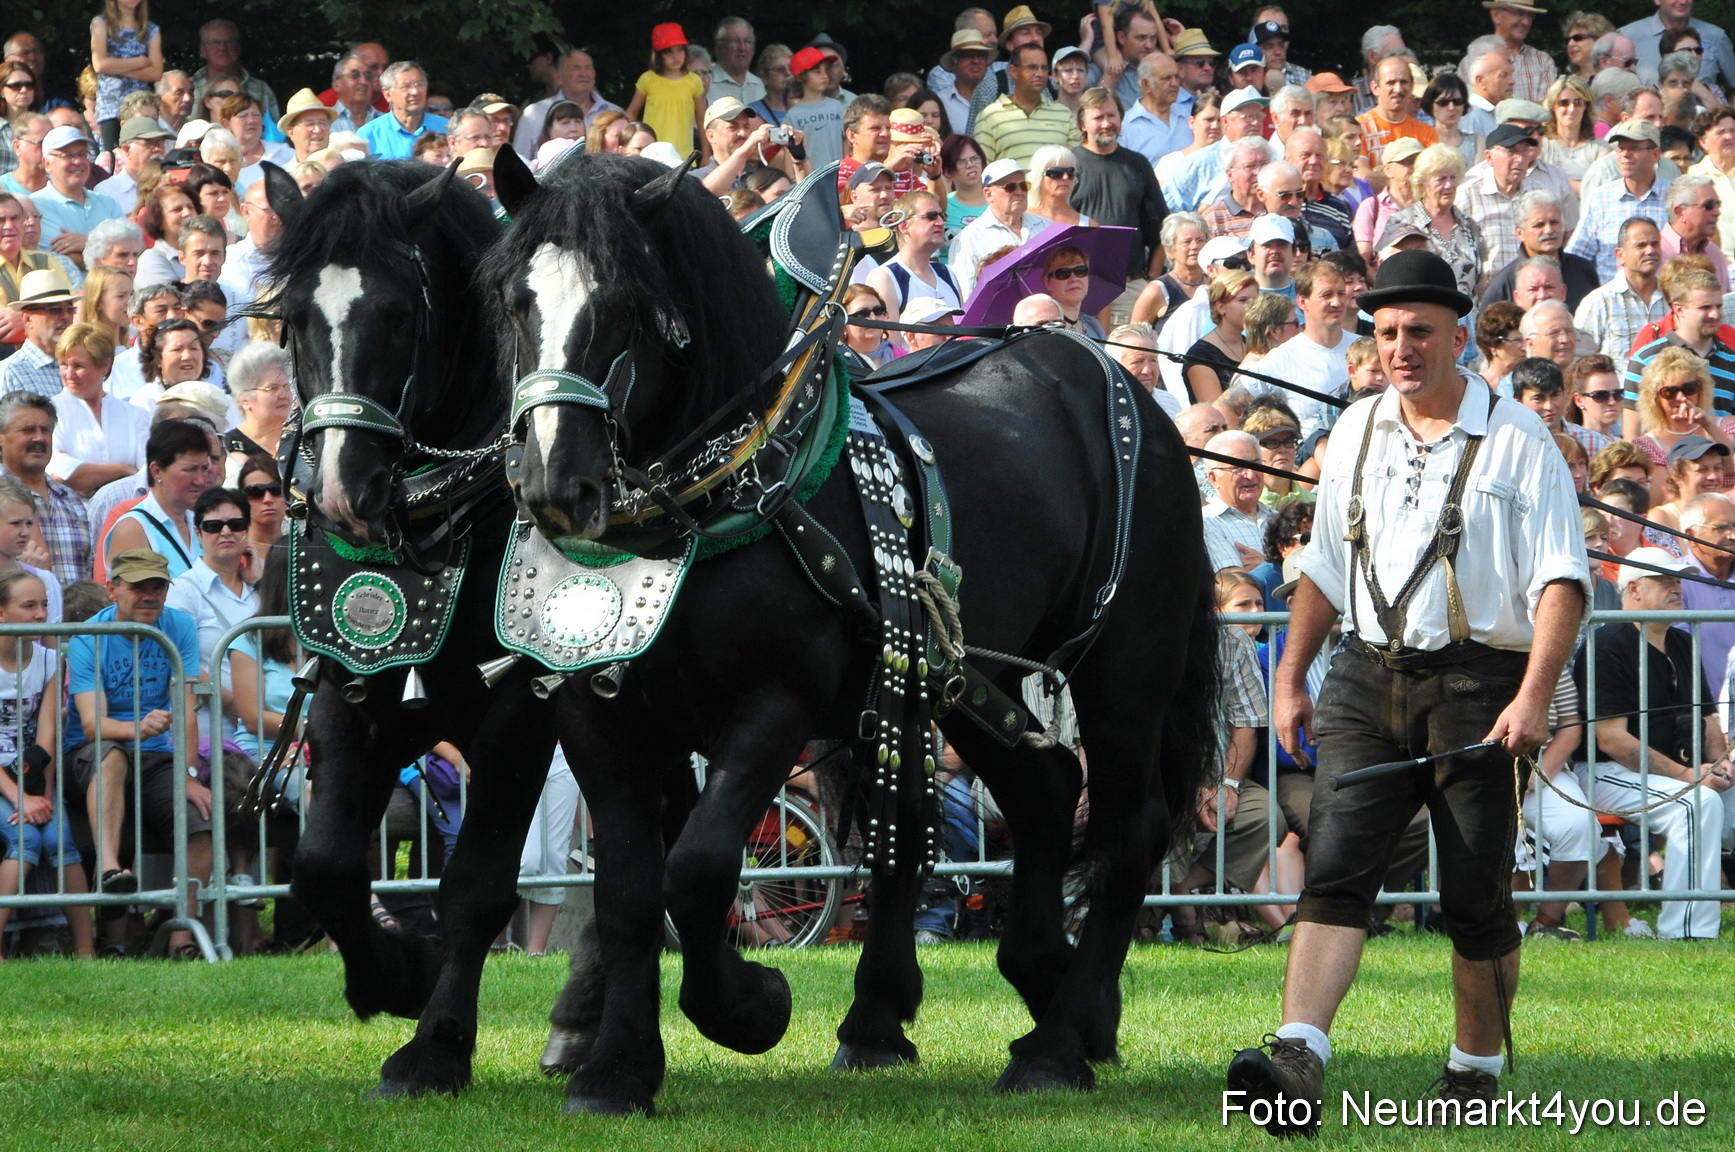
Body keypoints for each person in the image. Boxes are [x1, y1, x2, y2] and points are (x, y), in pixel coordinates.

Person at [1226, 249, 1588, 1135]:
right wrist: (1288, 676)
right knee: (1338, 867)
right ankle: (1297, 1055)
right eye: (1385, 332)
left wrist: (1535, 695)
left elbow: (1561, 583)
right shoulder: (1351, 428)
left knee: (1472, 895)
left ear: (1458, 337)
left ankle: (1473, 1067)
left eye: (1418, 332)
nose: (1399, 348)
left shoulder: (1517, 436)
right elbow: (1322, 565)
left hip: (1479, 685)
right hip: (1364, 674)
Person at [1584, 545, 1734, 940]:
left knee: (1708, 797)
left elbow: (1708, 718)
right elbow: (1612, 740)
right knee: (1694, 803)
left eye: (1677, 580)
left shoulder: (1684, 642)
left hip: (1673, 772)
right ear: (1633, 589)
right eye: (1663, 581)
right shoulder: (1608, 644)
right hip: (1604, 773)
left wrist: (1719, 763)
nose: (1676, 587)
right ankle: (1686, 932)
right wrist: (1689, 775)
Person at [0, 567, 93, 958]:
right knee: (25, 838)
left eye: (43, 605)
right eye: (28, 606)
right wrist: (18, 798)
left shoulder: (51, 660)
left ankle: (87, 952)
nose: (40, 615)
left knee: (59, 837)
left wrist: (44, 795)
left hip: (29, 774)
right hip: (3, 780)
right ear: (2, 613)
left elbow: (47, 737)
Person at [164, 486, 257, 744]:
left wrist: (260, 581)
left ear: (246, 530)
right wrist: (226, 699)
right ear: (198, 533)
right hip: (210, 737)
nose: (226, 532)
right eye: (214, 526)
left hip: (266, 736)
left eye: (236, 524)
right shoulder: (182, 590)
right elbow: (177, 656)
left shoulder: (259, 590)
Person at [1070, 88, 1167, 290]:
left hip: (1129, 284)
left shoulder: (1138, 164)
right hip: (1078, 283)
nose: (1106, 124)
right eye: (1098, 117)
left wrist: (1152, 277)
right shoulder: (1067, 166)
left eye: (1111, 115)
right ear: (1082, 124)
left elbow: (1164, 227)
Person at [1252, 261, 1355, 437]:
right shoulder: (1281, 358)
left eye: (1341, 293)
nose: (1337, 302)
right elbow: (1227, 407)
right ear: (1302, 301)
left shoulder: (1367, 348)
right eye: (1327, 295)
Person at [1624, 267, 1735, 431]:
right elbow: (1632, 433)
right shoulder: (1646, 359)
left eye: (1718, 306)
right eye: (1705, 307)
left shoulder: (1731, 360)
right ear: (1679, 309)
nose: (1715, 314)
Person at [102, 416, 209, 576]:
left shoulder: (201, 524)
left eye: (204, 469)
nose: (200, 480)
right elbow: (139, 598)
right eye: (190, 469)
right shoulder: (133, 529)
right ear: (157, 471)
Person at [48, 320, 144, 497]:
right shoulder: (48, 413)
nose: (69, 374)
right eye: (63, 364)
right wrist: (123, 470)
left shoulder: (134, 415)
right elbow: (59, 474)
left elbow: (146, 476)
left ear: (104, 366)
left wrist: (89, 476)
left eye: (78, 366)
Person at [1567, 119, 1670, 281]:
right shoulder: (1601, 198)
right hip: (1610, 299)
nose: (1625, 155)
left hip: (1663, 297)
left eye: (1634, 148)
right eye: (1621, 148)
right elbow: (1577, 256)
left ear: (1655, 154)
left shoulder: (1673, 197)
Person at [1382, 143, 1485, 301]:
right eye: (1441, 179)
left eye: (1453, 177)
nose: (1449, 185)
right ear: (1423, 185)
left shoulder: (1469, 225)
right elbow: (1390, 274)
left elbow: (1480, 281)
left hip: (1468, 317)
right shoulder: (1403, 222)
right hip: (1422, 314)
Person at [1573, 217, 1667, 372]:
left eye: (1655, 244)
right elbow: (1580, 363)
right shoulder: (1598, 302)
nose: (1650, 250)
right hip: (1617, 395)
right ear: (1620, 255)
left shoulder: (1673, 299)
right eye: (1640, 245)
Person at [1480, 190, 1601, 309]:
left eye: (1554, 222)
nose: (1549, 230)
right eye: (1539, 225)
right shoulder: (1503, 285)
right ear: (1520, 232)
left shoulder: (1583, 270)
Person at [949, 158, 1049, 300]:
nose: (1019, 192)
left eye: (1024, 185)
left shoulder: (1047, 227)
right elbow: (966, 297)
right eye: (1010, 187)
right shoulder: (969, 238)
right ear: (988, 194)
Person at [974, 44, 1078, 168]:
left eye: (1044, 68)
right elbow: (983, 171)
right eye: (1032, 67)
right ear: (1013, 71)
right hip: (1011, 188)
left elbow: (1076, 166)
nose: (1040, 73)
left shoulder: (1064, 114)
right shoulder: (989, 117)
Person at [29, 125, 120, 268]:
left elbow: (131, 250)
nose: (77, 161)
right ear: (47, 163)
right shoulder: (35, 206)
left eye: (82, 154)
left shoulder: (108, 203)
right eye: (68, 155)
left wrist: (89, 242)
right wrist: (112, 253)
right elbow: (62, 258)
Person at [866, 190, 961, 320]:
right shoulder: (885, 277)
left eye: (942, 216)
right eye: (931, 216)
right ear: (904, 226)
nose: (940, 222)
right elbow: (890, 339)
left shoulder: (947, 273)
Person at [89, 0, 162, 153]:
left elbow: (156, 72)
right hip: (110, 106)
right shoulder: (101, 24)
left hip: (140, 106)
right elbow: (100, 64)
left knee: (143, 152)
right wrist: (139, 62)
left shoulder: (151, 30)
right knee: (115, 156)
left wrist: (115, 67)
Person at [624, 25, 706, 161]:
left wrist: (706, 154)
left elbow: (701, 118)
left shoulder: (694, 81)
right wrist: (627, 144)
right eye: (669, 51)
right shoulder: (648, 79)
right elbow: (632, 112)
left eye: (680, 50)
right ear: (658, 54)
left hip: (684, 155)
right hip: (650, 153)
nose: (676, 56)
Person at [1200, 429, 1272, 571]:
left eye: (1255, 464)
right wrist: (1283, 570)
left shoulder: (1280, 519)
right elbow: (1235, 583)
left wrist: (1266, 566)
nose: (1250, 475)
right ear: (1213, 478)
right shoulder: (1206, 522)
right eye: (1237, 467)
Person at [0, 266, 76, 397]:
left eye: (70, 309)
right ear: (27, 318)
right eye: (55, 310)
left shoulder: (81, 364)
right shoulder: (11, 372)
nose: (66, 316)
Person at [1356, 54, 1436, 172]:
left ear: (1412, 86)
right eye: (1391, 82)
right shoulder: (1359, 128)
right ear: (1375, 88)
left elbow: (1433, 176)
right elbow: (1362, 176)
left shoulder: (1427, 133)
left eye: (1404, 82)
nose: (1398, 89)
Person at [221, 343, 288, 483]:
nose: (283, 394)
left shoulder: (301, 443)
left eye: (286, 386)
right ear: (245, 400)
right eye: (272, 388)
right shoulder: (228, 450)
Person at [355, 61, 444, 161]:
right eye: (405, 86)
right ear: (387, 94)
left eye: (420, 84)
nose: (415, 92)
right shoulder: (369, 135)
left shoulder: (446, 128)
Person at [781, 45, 846, 172]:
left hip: (838, 178)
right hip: (808, 180)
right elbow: (788, 151)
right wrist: (793, 178)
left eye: (826, 70)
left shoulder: (837, 107)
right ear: (800, 77)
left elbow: (845, 143)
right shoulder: (793, 115)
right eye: (817, 71)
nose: (824, 75)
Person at [91, 116, 166, 215]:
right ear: (127, 149)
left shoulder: (172, 184)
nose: (157, 149)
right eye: (150, 143)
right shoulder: (106, 192)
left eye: (161, 143)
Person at [133, 181, 195, 289]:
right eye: (177, 209)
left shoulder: (208, 252)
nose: (187, 213)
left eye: (190, 207)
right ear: (159, 220)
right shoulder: (151, 261)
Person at [1040, 244, 1105, 340]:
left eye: (1080, 271)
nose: (1074, 279)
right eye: (1063, 273)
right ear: (1047, 282)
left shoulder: (1094, 327)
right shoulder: (1043, 331)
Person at [840, 283, 896, 371]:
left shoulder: (903, 357)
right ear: (843, 322)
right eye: (862, 313)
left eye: (878, 311)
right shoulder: (834, 362)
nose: (873, 318)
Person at [1028, 144, 1087, 227]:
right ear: (1039, 176)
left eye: (1070, 172)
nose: (1065, 177)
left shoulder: (1090, 226)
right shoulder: (1020, 220)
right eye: (1056, 172)